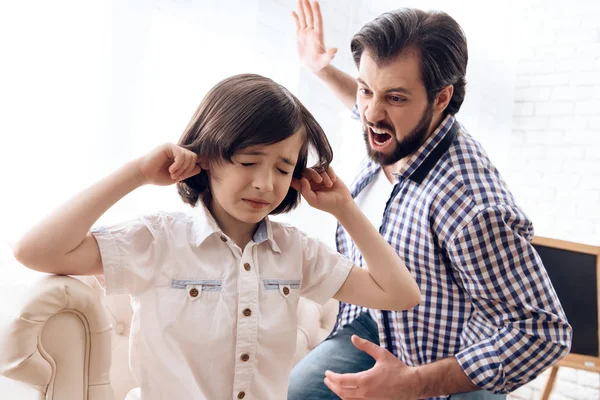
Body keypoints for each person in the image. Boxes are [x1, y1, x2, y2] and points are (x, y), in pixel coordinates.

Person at [13, 73, 420, 400]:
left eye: (282, 169)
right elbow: (35, 250)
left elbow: (402, 295)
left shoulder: (296, 252)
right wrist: (137, 173)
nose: (264, 183)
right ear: (207, 154)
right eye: (248, 161)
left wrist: (345, 208)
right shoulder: (159, 240)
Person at [288, 1, 572, 399]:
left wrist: (416, 383)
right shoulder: (400, 129)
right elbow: (371, 106)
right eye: (366, 89)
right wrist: (320, 68)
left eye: (395, 98)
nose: (370, 111)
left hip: (450, 359)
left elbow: (544, 333)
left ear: (441, 98)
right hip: (376, 325)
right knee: (297, 392)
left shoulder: (471, 205)